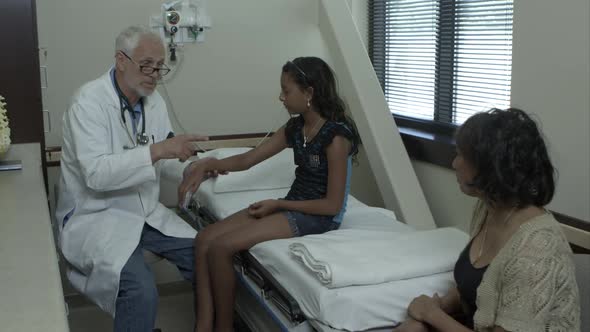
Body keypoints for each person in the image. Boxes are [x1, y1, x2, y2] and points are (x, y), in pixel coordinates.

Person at [178, 56, 361, 331]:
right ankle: (203, 325)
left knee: (221, 247)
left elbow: (333, 205)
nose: (281, 97)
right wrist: (209, 165)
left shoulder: (336, 137)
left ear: (309, 93)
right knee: (204, 239)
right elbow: (248, 159)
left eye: (287, 91)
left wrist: (278, 204)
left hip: (318, 216)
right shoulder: (296, 127)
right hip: (292, 204)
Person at [56, 25, 211, 332]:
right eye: (146, 65)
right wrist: (156, 150)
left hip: (142, 212)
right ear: (121, 60)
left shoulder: (154, 103)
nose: (154, 74)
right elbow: (97, 174)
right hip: (96, 216)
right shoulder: (88, 104)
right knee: (141, 291)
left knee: (207, 256)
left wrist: (192, 167)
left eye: (159, 67)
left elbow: (165, 158)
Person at [393, 108, 581, 332]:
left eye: (462, 155)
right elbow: (474, 286)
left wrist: (433, 314)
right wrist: (438, 305)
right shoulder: (488, 208)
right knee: (412, 327)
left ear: (492, 167)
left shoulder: (536, 250)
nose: (454, 163)